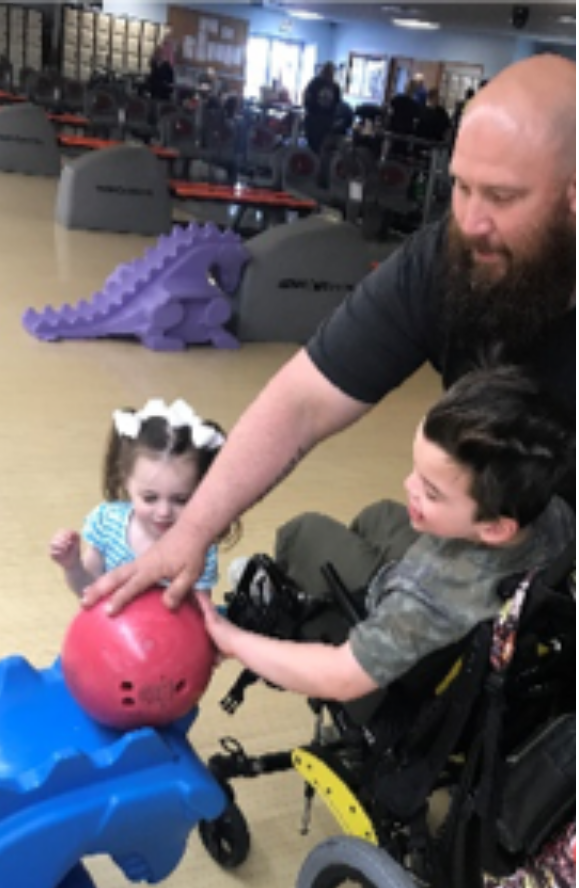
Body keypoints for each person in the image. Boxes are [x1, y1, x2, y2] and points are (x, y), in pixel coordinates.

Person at [86, 53, 575, 616]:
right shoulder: (451, 259)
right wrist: (190, 532)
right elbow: (303, 401)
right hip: (495, 545)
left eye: (503, 197)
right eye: (462, 188)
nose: (471, 222)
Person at [197, 368, 574, 702]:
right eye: (415, 470)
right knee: (380, 515)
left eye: (431, 492)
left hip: (406, 638)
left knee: (304, 531)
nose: (408, 484)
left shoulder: (425, 598)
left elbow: (340, 678)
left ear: (493, 527)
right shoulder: (551, 507)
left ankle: (281, 589)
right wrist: (432, 502)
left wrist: (234, 642)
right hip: (497, 591)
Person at [49, 398, 234, 598]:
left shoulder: (199, 545)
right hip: (111, 628)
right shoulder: (108, 522)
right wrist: (73, 566)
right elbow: (88, 592)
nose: (164, 512)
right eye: (150, 498)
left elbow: (198, 616)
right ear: (125, 480)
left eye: (181, 499)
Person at [301, 62, 341, 153]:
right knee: (315, 145)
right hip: (315, 118)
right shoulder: (315, 83)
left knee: (319, 146)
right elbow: (307, 98)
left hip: (324, 120)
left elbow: (336, 104)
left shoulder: (335, 87)